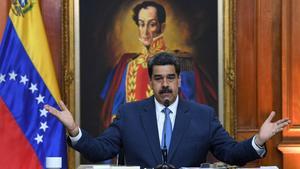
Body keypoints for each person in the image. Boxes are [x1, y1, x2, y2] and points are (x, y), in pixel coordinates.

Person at [45, 52, 290, 169]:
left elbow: (230, 153)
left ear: (179, 81)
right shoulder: (129, 114)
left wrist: (258, 140)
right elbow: (100, 150)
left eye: (170, 78)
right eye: (159, 79)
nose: (165, 84)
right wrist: (75, 130)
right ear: (151, 82)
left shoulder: (202, 116)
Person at [100, 1, 217, 128]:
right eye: (141, 24)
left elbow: (192, 111)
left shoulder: (182, 62)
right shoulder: (129, 66)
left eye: (152, 24)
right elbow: (117, 115)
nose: (145, 31)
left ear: (162, 27)